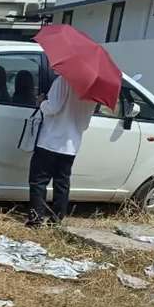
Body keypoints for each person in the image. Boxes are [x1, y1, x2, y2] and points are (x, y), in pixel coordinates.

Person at [27, 74, 97, 226]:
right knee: (62, 183)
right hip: (71, 145)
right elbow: (84, 125)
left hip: (50, 141)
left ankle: (36, 219)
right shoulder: (92, 90)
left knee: (38, 181)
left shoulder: (63, 80)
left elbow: (53, 107)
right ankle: (56, 220)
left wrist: (42, 102)